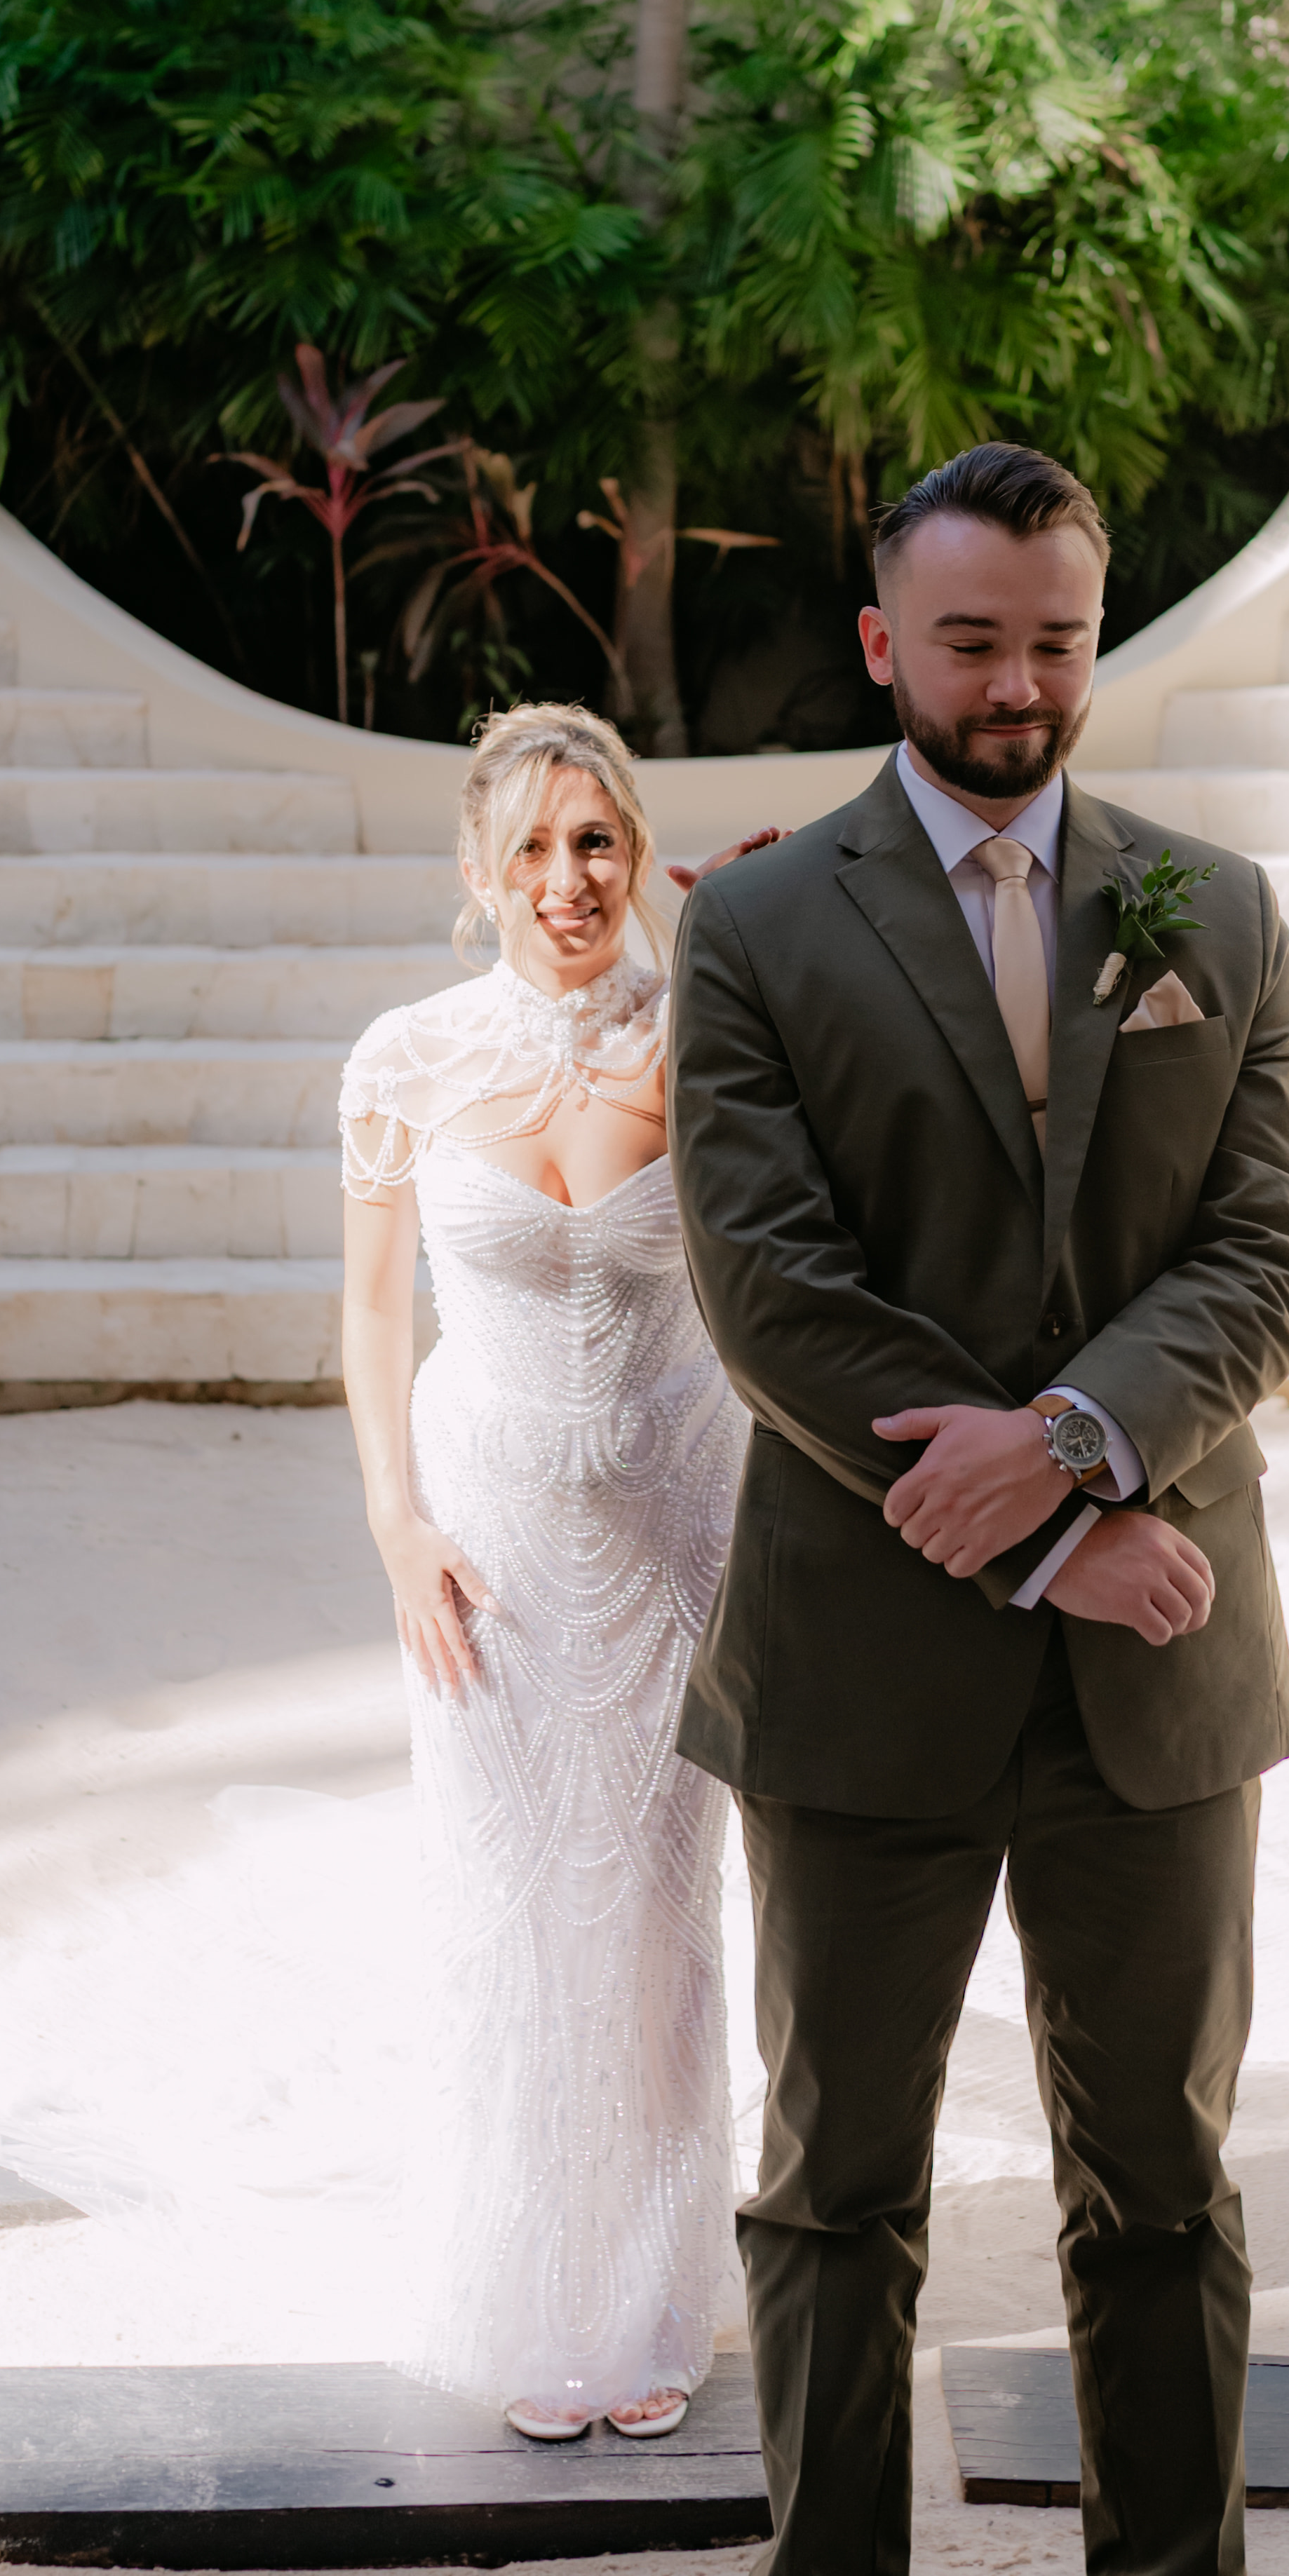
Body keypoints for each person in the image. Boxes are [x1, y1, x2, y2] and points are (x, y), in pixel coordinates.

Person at [654, 441, 1289, 2576]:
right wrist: (1047, 1541)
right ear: (880, 643)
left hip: (1163, 1672)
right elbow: (768, 1288)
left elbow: (1267, 1248)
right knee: (832, 2182)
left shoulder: (1212, 908)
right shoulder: (750, 928)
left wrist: (1072, 1438)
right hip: (869, 1661)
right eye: (968, 640)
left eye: (1055, 636)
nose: (1018, 683)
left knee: (1156, 2176)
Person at [337, 703, 770, 2443]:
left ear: (635, 850)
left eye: (594, 840)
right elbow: (372, 1313)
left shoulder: (710, 1034)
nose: (565, 878)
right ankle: (529, 2280)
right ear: (475, 871)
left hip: (679, 1527)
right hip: (489, 1547)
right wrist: (396, 1526)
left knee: (661, 1917)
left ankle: (651, 2289)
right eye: (528, 846)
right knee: (514, 1903)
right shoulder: (406, 1058)